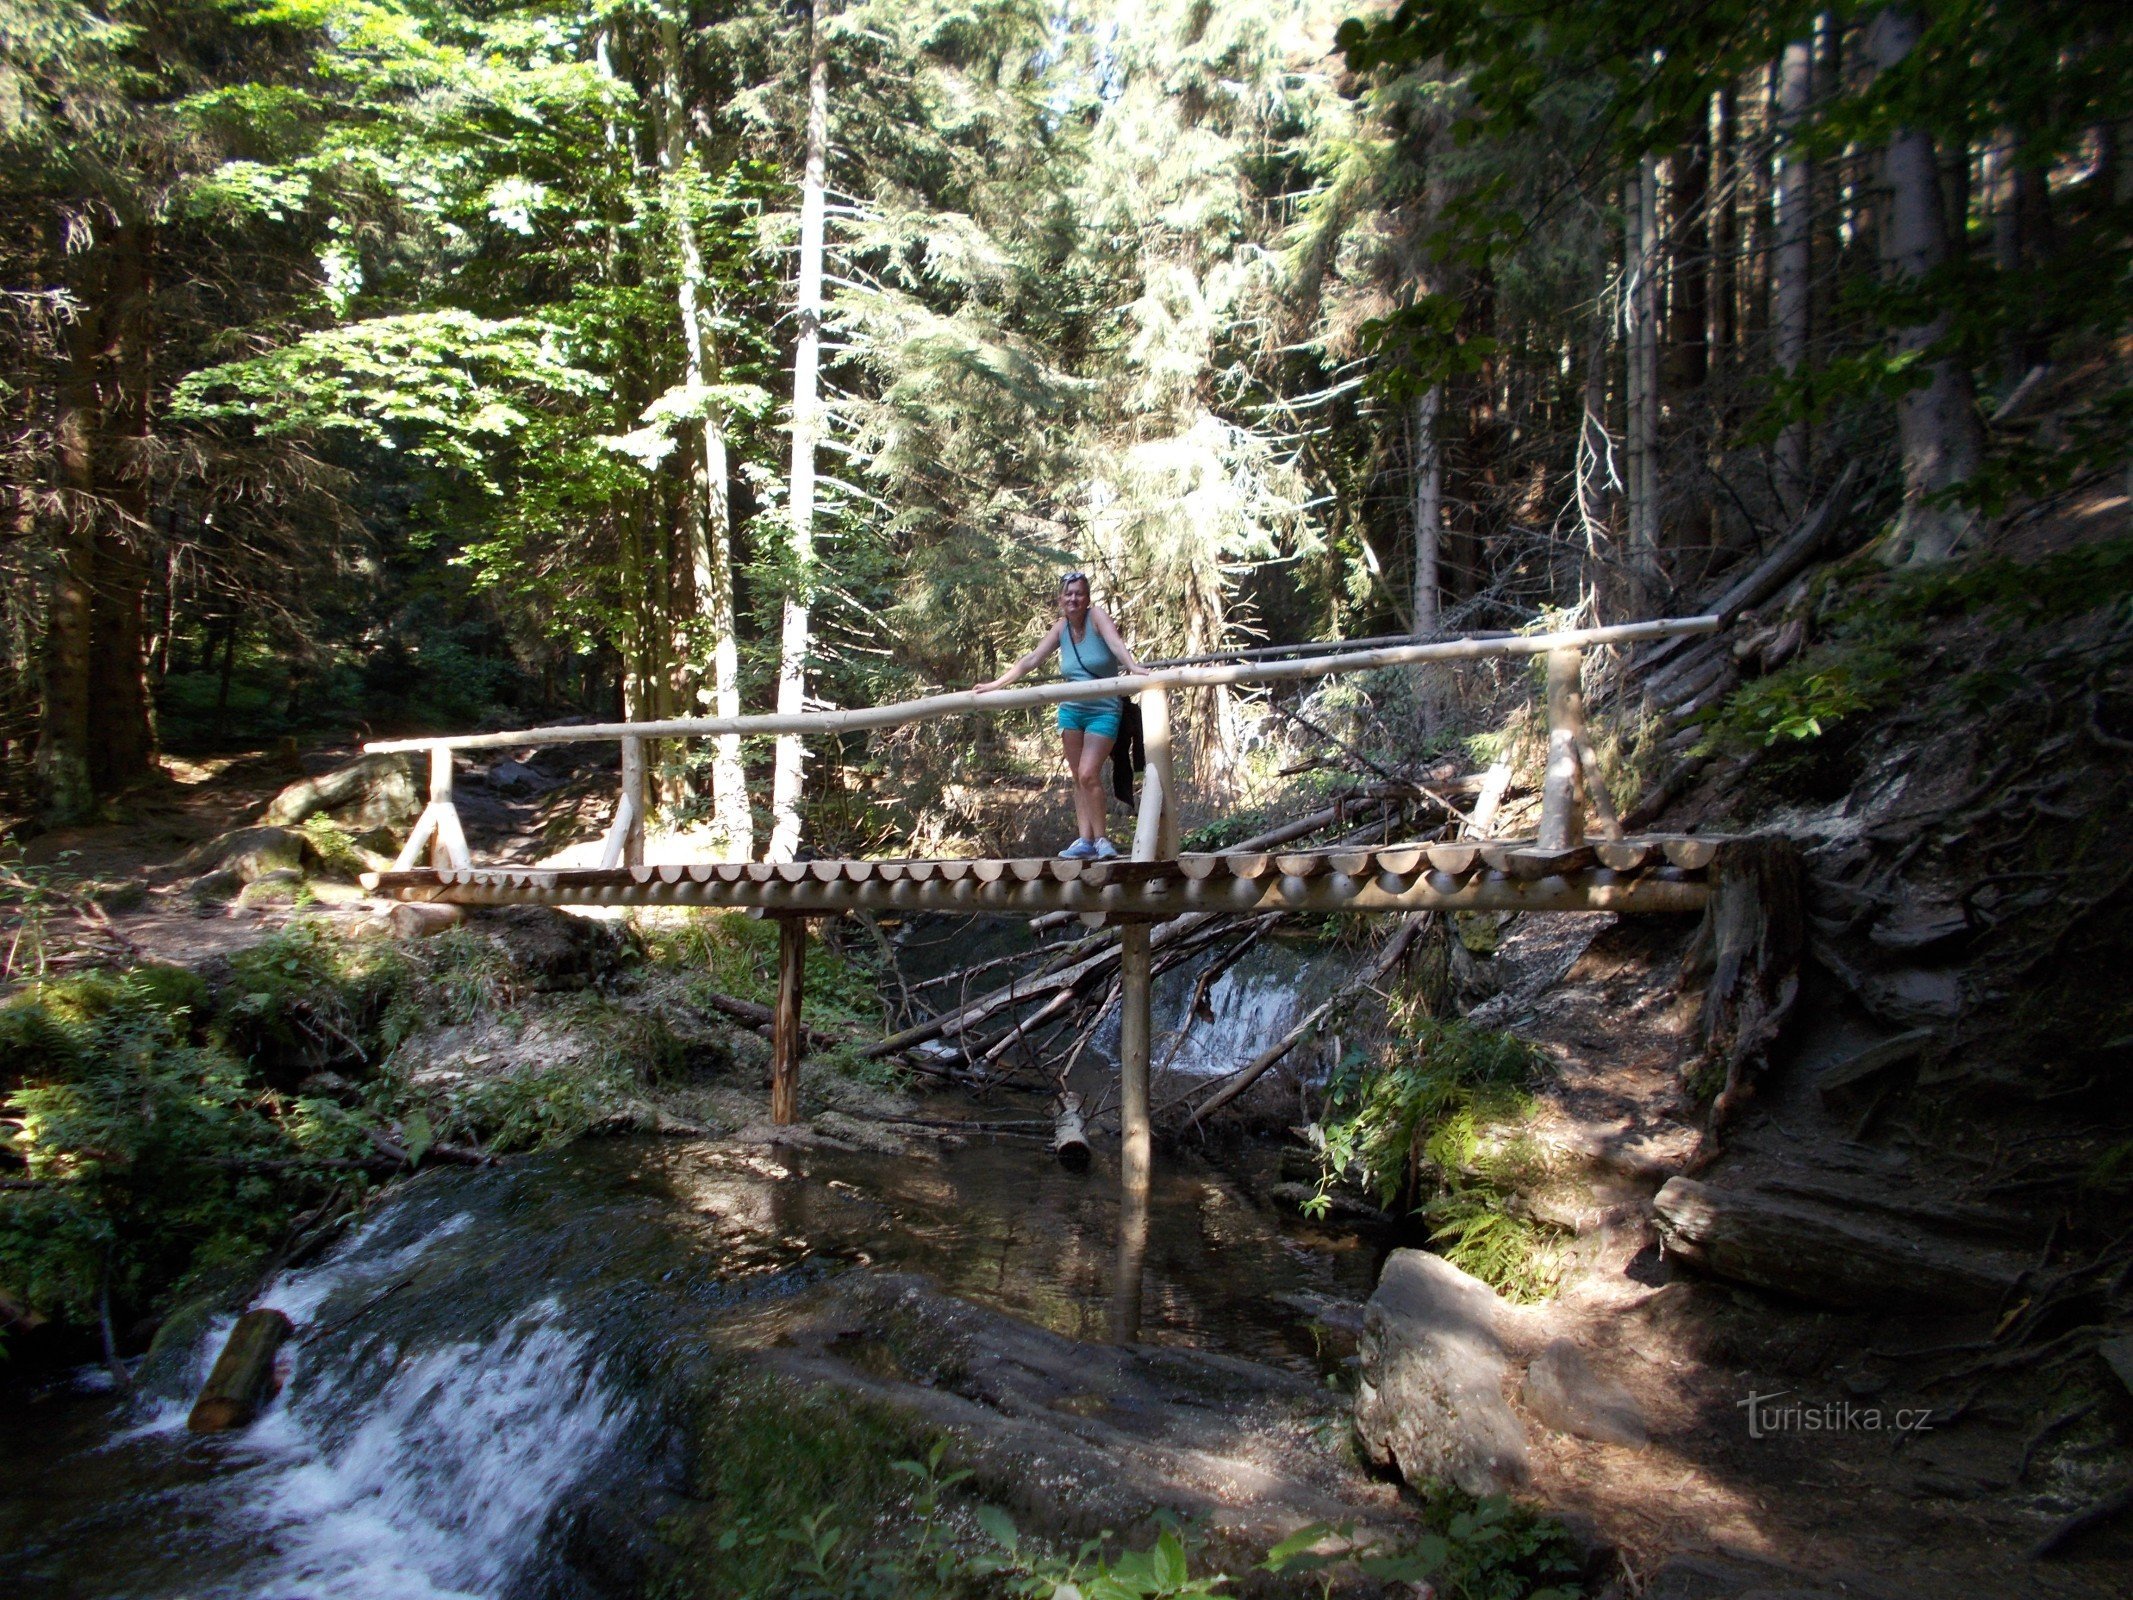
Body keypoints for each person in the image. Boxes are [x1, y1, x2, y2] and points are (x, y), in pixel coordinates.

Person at [973, 572, 1148, 859]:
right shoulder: (1061, 628)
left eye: (1079, 593)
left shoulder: (1097, 618)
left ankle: (1102, 840)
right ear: (1060, 600)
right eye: (1068, 594)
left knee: (1089, 773)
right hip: (1071, 711)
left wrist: (1132, 666)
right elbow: (1031, 660)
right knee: (1077, 776)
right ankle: (1084, 840)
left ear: (1087, 598)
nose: (1073, 599)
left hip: (1104, 708)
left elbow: (1116, 644)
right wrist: (994, 685)